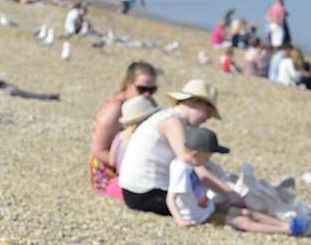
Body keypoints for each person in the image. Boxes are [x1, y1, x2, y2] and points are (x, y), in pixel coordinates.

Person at [169, 128, 311, 236]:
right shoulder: (181, 169)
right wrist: (180, 220)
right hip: (200, 217)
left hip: (207, 208)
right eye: (208, 156)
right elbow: (171, 197)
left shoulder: (188, 165)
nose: (209, 160)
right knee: (242, 221)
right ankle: (287, 229)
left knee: (247, 212)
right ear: (196, 154)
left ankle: (289, 224)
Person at [117, 79, 234, 217]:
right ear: (195, 102)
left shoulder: (169, 117)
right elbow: (191, 162)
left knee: (208, 201)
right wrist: (229, 193)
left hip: (136, 190)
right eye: (208, 111)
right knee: (211, 209)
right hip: (145, 193)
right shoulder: (172, 121)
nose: (208, 118)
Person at [89, 61, 158, 194]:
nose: (147, 95)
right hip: (108, 172)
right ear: (128, 84)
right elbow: (98, 150)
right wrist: (129, 165)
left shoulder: (143, 105)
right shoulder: (114, 109)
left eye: (152, 90)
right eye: (142, 89)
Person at [103, 93, 160, 199]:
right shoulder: (148, 138)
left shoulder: (120, 136)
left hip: (118, 183)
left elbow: (112, 161)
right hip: (142, 186)